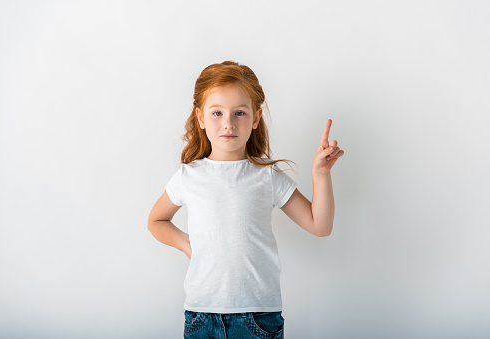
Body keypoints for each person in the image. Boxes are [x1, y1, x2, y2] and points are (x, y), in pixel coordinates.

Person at [147, 60, 344, 338]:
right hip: (201, 315)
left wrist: (320, 174)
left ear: (255, 118)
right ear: (201, 117)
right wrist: (187, 244)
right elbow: (156, 220)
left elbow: (320, 225)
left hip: (259, 317)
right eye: (217, 113)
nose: (228, 123)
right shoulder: (188, 176)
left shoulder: (268, 176)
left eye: (239, 112)